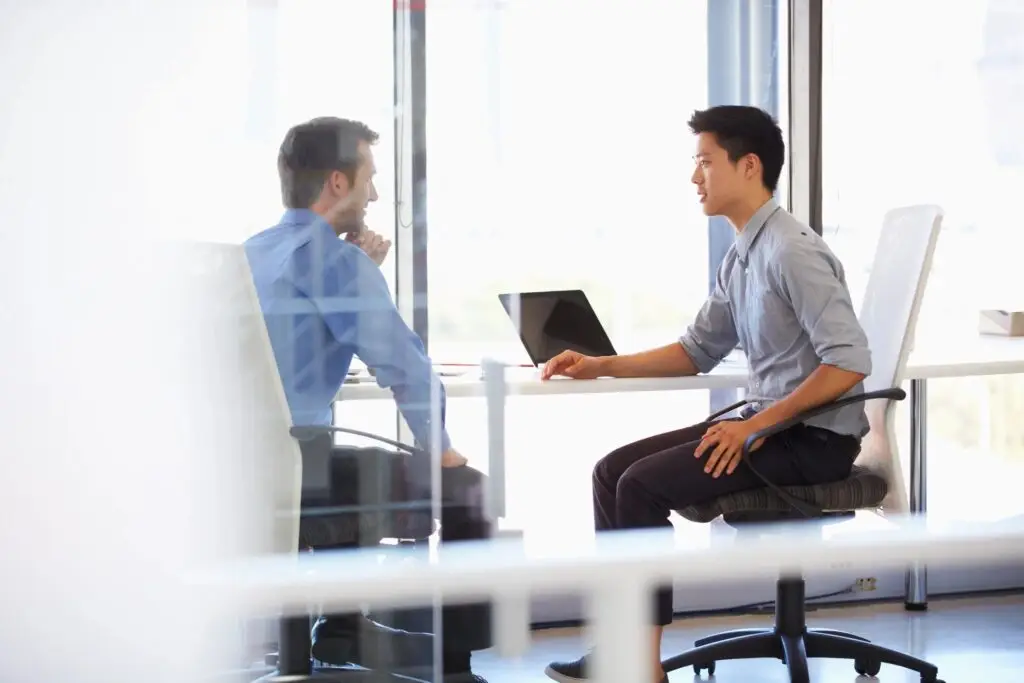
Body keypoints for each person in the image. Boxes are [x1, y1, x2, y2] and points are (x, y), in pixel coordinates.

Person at [541, 105, 872, 683]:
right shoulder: (743, 254)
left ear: (748, 166)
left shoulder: (792, 250)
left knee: (640, 486)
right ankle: (622, 646)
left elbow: (847, 363)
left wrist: (752, 428)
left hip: (812, 439)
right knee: (609, 471)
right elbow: (695, 350)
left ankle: (643, 669)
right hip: (768, 424)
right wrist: (600, 365)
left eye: (704, 162)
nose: (695, 178)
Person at [244, 116, 491, 683]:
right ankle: (456, 666)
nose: (375, 193)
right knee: (466, 489)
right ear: (337, 182)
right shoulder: (335, 261)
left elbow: (286, 359)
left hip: (237, 474)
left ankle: (341, 623)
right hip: (300, 475)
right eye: (369, 178)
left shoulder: (252, 254)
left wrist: (359, 279)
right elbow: (405, 368)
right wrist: (444, 453)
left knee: (336, 458)